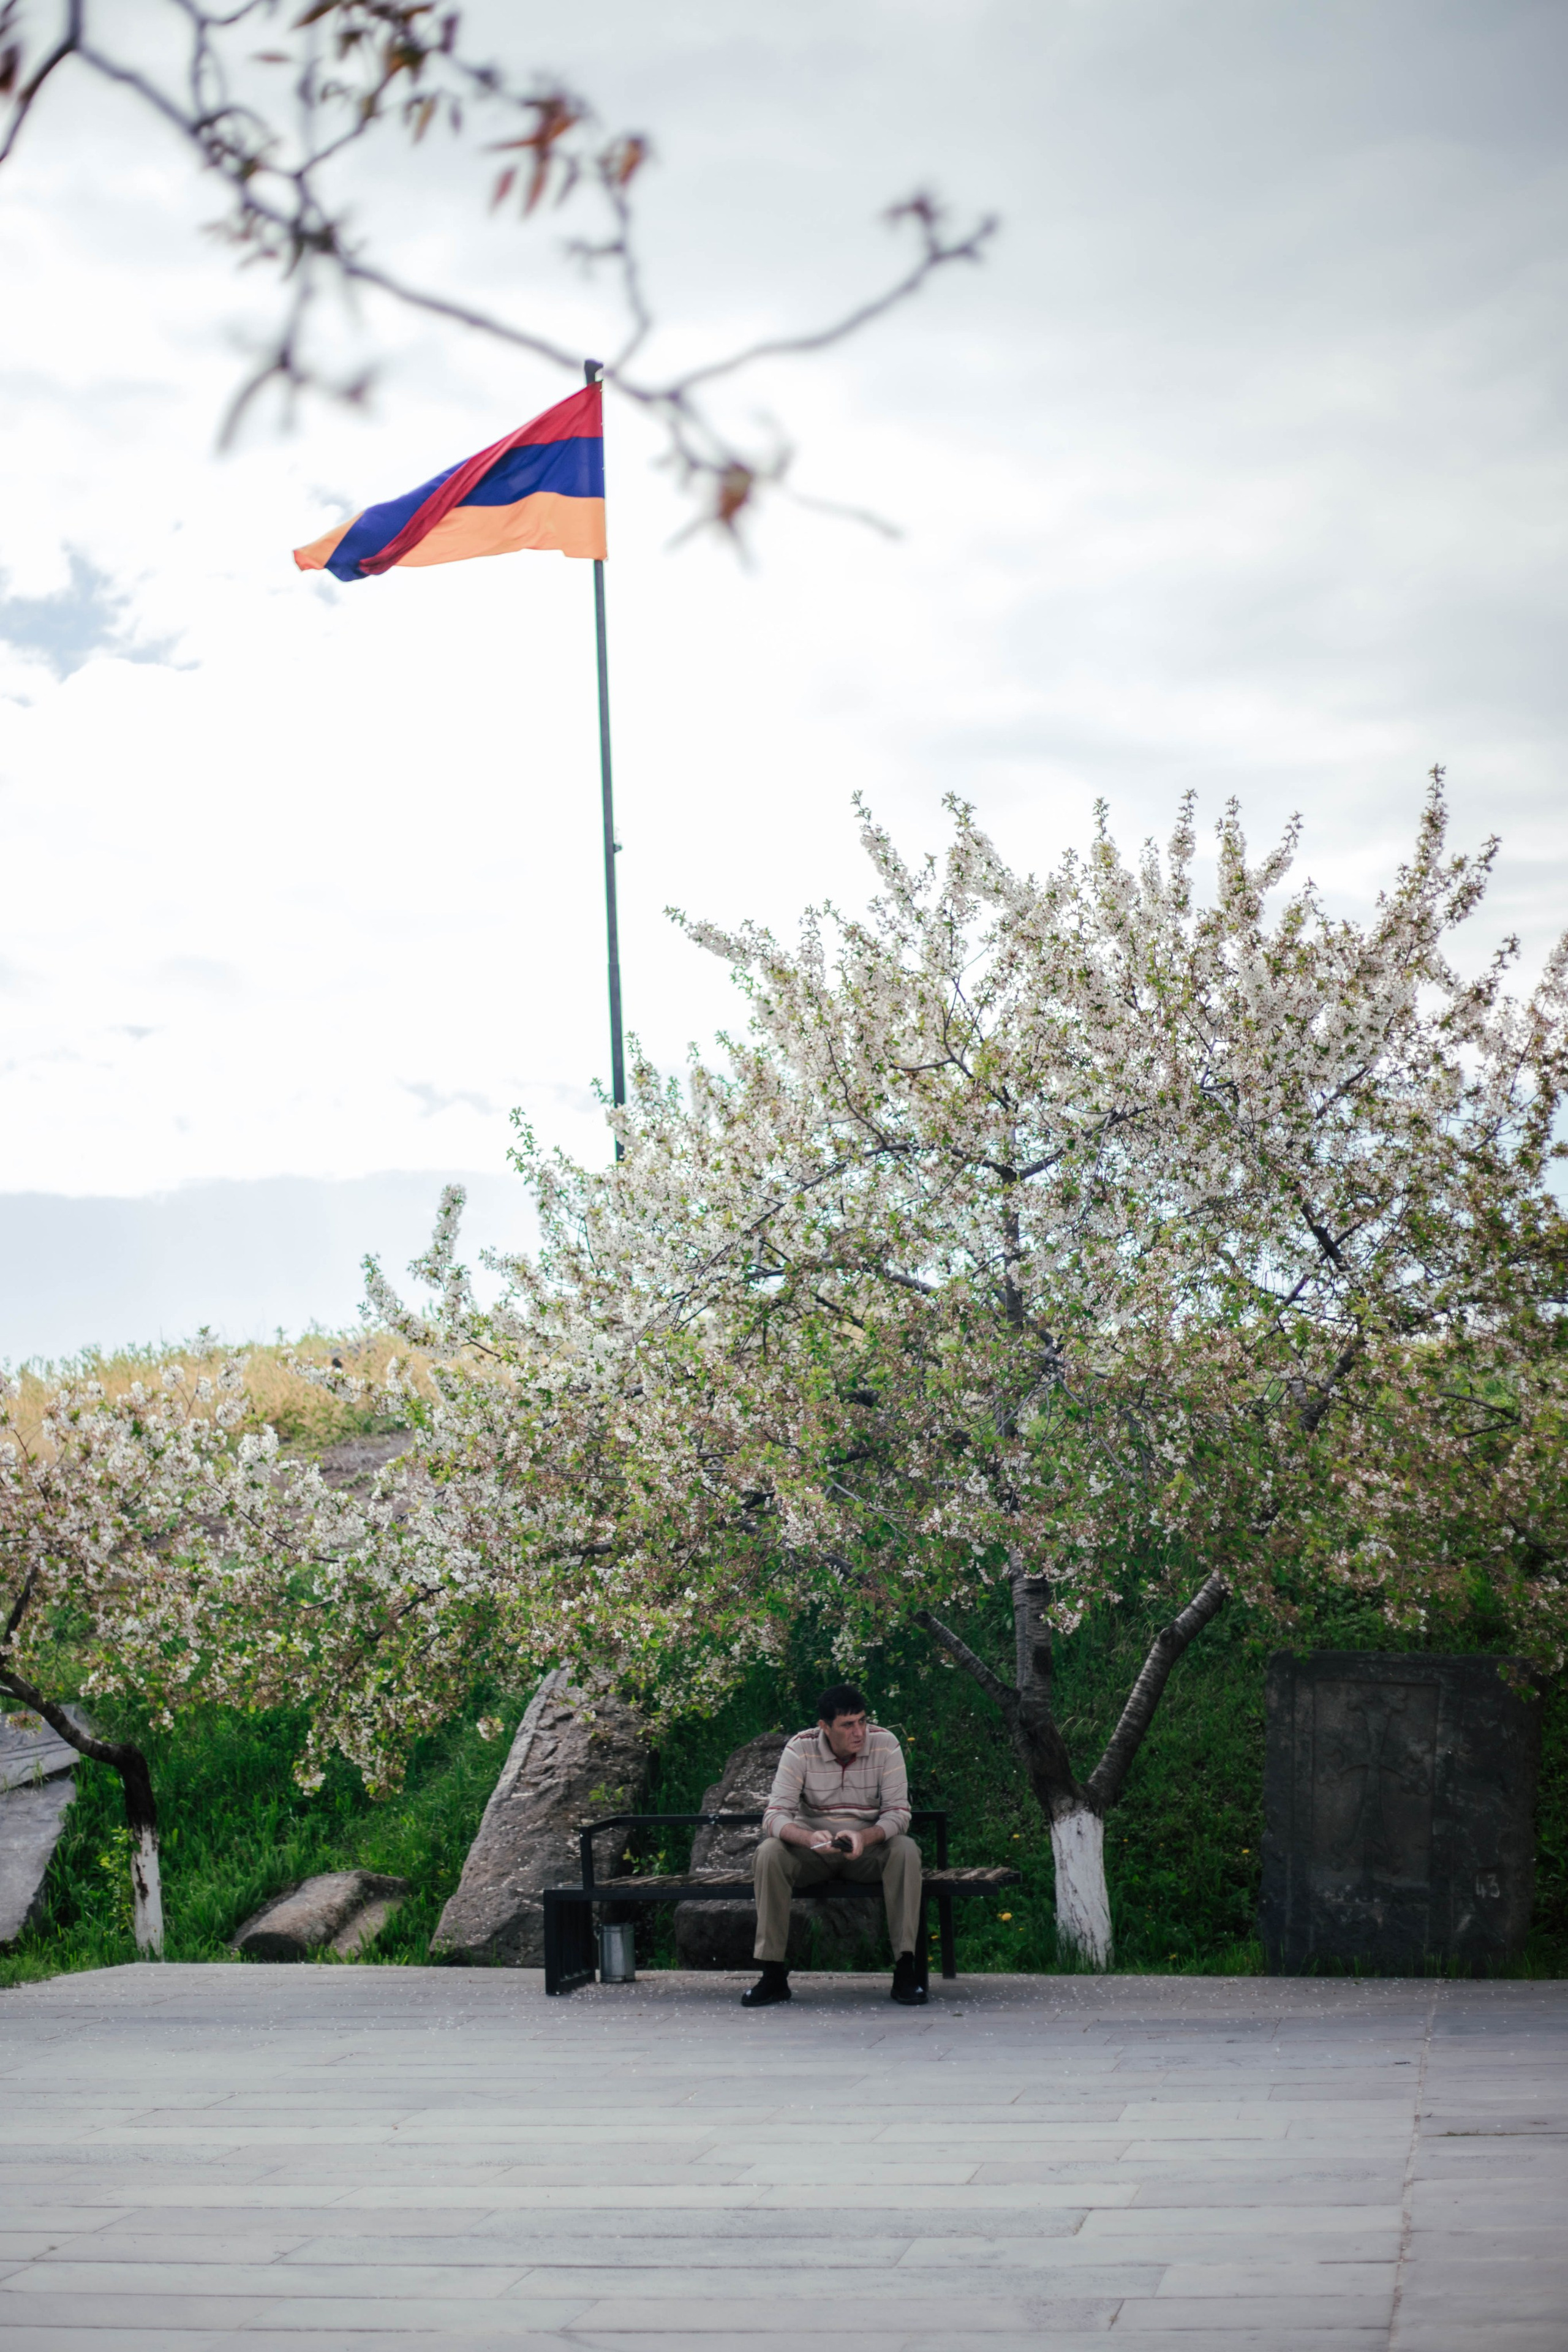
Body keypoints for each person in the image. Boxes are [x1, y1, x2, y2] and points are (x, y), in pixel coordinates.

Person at [742, 1684, 925, 2008]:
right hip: (813, 1852)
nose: (859, 1732)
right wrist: (808, 1838)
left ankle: (905, 1970)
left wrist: (865, 1837)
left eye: (863, 1721)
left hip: (867, 1850)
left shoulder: (886, 1744)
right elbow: (774, 1816)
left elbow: (899, 1812)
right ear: (824, 1727)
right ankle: (772, 1974)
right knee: (769, 1853)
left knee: (906, 1850)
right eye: (847, 1725)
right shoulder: (800, 1748)